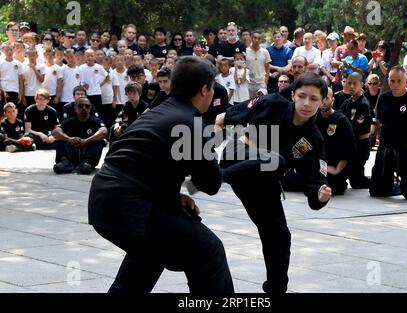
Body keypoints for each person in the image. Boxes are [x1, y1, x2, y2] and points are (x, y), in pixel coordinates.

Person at [88, 56, 234, 293]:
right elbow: (211, 182)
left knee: (153, 250)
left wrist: (169, 195)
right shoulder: (193, 124)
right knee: (208, 250)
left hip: (103, 201)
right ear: (205, 89)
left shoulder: (154, 113)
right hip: (132, 206)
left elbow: (129, 160)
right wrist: (215, 134)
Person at [215, 73, 332, 293]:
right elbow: (224, 118)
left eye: (314, 99)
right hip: (237, 156)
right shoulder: (272, 103)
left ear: (323, 101)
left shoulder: (313, 139)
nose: (307, 103)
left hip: (263, 180)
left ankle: (276, 289)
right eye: (302, 96)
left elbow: (314, 177)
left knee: (279, 235)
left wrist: (320, 194)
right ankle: (217, 176)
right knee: (276, 160)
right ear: (293, 95)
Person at [370, 66, 407, 200]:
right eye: (392, 81)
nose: (395, 84)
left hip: (405, 149)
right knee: (377, 192)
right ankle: (394, 186)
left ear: (406, 81)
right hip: (385, 148)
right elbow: (379, 121)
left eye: (399, 81)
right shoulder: (384, 98)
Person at [316, 88, 356, 195]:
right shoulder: (314, 118)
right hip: (317, 165)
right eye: (321, 98)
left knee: (331, 187)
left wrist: (337, 170)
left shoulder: (341, 120)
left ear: (332, 100)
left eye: (327, 98)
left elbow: (349, 149)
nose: (323, 101)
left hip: (334, 167)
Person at [52, 97, 107, 174]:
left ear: (90, 109)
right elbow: (55, 132)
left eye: (87, 106)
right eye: (80, 106)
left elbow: (104, 132)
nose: (84, 108)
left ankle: (87, 163)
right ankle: (65, 162)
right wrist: (68, 138)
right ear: (75, 108)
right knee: (59, 138)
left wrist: (86, 141)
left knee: (100, 141)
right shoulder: (69, 122)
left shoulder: (96, 121)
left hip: (88, 153)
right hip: (71, 152)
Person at [340, 72, 372, 189]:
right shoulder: (347, 103)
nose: (351, 86)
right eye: (349, 83)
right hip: (348, 144)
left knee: (356, 182)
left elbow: (357, 127)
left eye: (354, 83)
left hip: (360, 145)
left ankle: (379, 180)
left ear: (362, 85)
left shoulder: (363, 104)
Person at [245, 31, 271, 98]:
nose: (257, 40)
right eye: (255, 38)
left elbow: (267, 68)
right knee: (248, 105)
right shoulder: (245, 51)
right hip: (248, 83)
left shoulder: (265, 52)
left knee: (261, 105)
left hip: (261, 83)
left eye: (259, 38)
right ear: (251, 38)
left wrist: (265, 82)